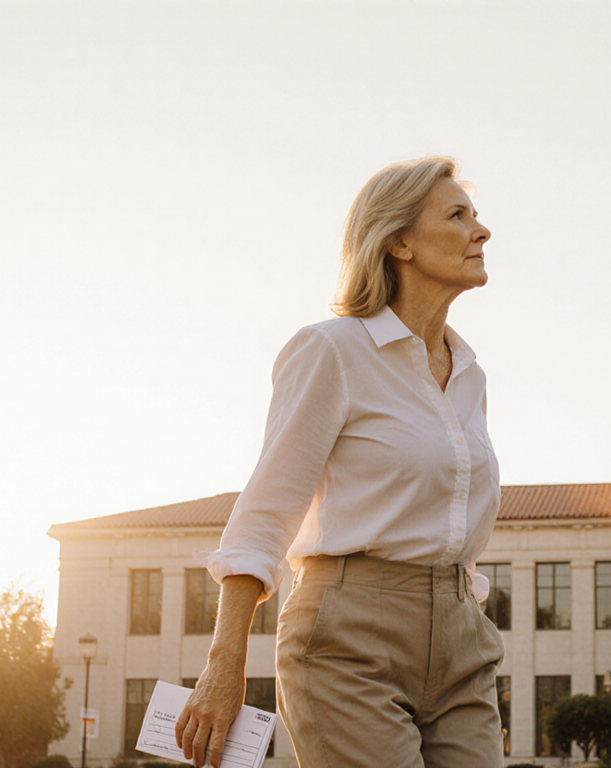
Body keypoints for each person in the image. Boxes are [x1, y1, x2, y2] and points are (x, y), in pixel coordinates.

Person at [175, 157, 504, 768]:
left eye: (476, 216)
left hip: (462, 641)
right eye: (457, 216)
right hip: (347, 639)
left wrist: (460, 608)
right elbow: (266, 513)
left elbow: (452, 521)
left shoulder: (469, 375)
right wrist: (226, 667)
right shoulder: (332, 351)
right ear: (398, 240)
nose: (480, 232)